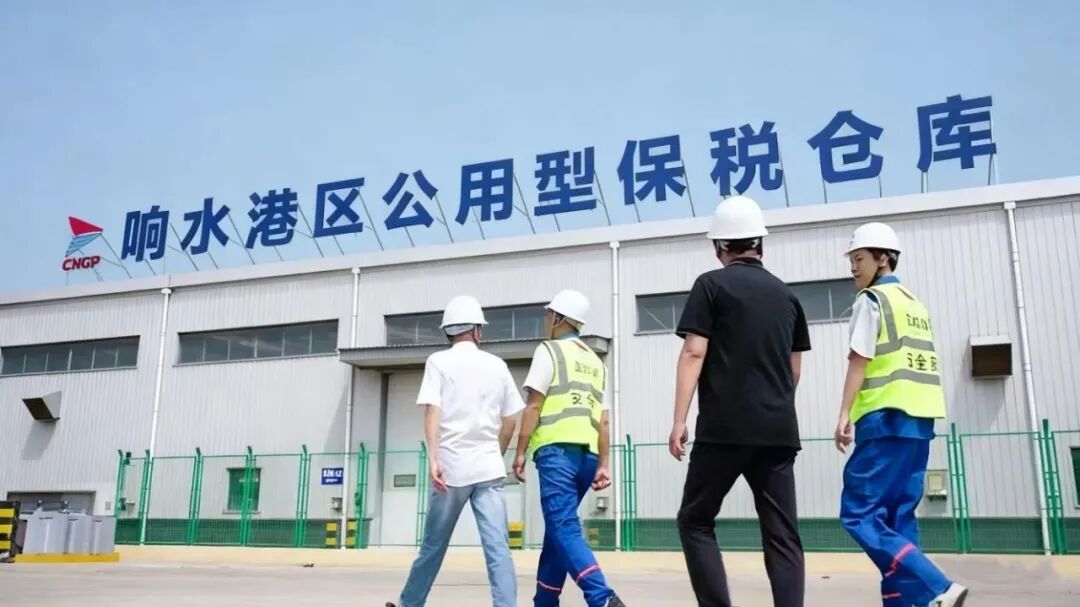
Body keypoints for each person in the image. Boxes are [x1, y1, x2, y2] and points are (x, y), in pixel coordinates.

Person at [669, 195, 810, 607]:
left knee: (695, 519)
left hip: (724, 430)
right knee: (782, 534)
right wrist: (773, 405)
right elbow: (794, 369)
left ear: (720, 246)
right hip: (778, 431)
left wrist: (679, 420)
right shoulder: (787, 296)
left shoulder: (710, 285)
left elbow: (693, 352)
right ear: (759, 243)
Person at [834, 222, 969, 607]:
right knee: (898, 520)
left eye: (859, 258)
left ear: (883, 259)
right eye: (852, 259)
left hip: (884, 419)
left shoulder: (872, 300)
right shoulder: (915, 304)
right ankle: (908, 602)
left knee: (859, 514)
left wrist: (843, 413)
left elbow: (859, 360)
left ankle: (937, 586)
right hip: (920, 423)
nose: (853, 267)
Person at [387, 295, 525, 607]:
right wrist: (495, 453)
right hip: (488, 471)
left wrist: (434, 458)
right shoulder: (497, 365)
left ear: (448, 330)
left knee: (433, 547)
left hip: (451, 471)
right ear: (477, 330)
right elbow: (510, 420)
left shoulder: (438, 361)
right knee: (498, 549)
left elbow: (432, 411)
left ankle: (410, 603)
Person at [512, 289, 627, 607]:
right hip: (588, 456)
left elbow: (533, 406)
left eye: (548, 313)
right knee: (556, 533)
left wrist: (519, 452)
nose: (546, 318)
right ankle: (544, 602)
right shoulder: (596, 362)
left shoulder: (549, 351)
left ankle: (601, 597)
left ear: (559, 319)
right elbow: (604, 419)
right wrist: (604, 463)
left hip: (557, 453)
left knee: (563, 526)